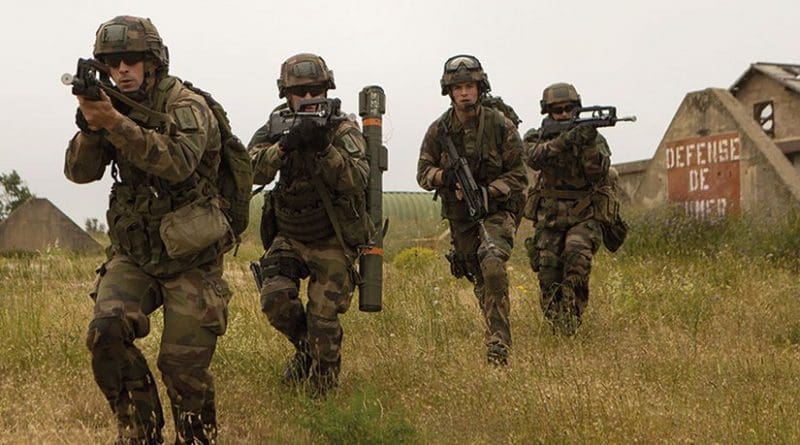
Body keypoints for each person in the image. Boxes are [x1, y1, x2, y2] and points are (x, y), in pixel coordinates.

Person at [64, 16, 234, 444]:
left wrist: (115, 124)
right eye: (113, 62)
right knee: (105, 332)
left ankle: (197, 437)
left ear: (153, 62)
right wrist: (90, 125)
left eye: (132, 61)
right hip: (136, 254)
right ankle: (139, 431)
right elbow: (78, 174)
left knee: (182, 369)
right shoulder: (109, 106)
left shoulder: (186, 105)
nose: (122, 70)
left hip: (191, 257)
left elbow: (177, 163)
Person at [249, 53, 370, 396]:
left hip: (331, 237)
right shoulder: (275, 126)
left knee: (322, 319)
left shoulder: (342, 128)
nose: (306, 98)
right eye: (298, 92)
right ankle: (306, 350)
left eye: (314, 90)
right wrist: (284, 147)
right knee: (275, 300)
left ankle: (322, 391)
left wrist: (323, 148)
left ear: (325, 90)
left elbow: (357, 180)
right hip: (289, 233)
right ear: (286, 94)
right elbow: (249, 170)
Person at [417, 55, 527, 366]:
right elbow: (423, 172)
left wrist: (488, 191)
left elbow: (519, 174)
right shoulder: (439, 131)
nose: (465, 93)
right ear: (449, 92)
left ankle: (498, 342)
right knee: (478, 274)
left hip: (497, 211)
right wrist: (444, 177)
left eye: (470, 86)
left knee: (492, 261)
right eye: (458, 88)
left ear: (480, 88)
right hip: (461, 215)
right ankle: (494, 321)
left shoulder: (499, 125)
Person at [523, 82, 613, 335]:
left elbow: (598, 173)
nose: (563, 114)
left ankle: (572, 323)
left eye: (569, 109)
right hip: (549, 218)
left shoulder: (592, 138)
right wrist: (565, 140)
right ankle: (557, 326)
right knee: (548, 274)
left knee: (576, 263)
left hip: (583, 215)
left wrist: (587, 144)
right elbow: (532, 157)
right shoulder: (536, 136)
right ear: (547, 112)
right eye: (557, 110)